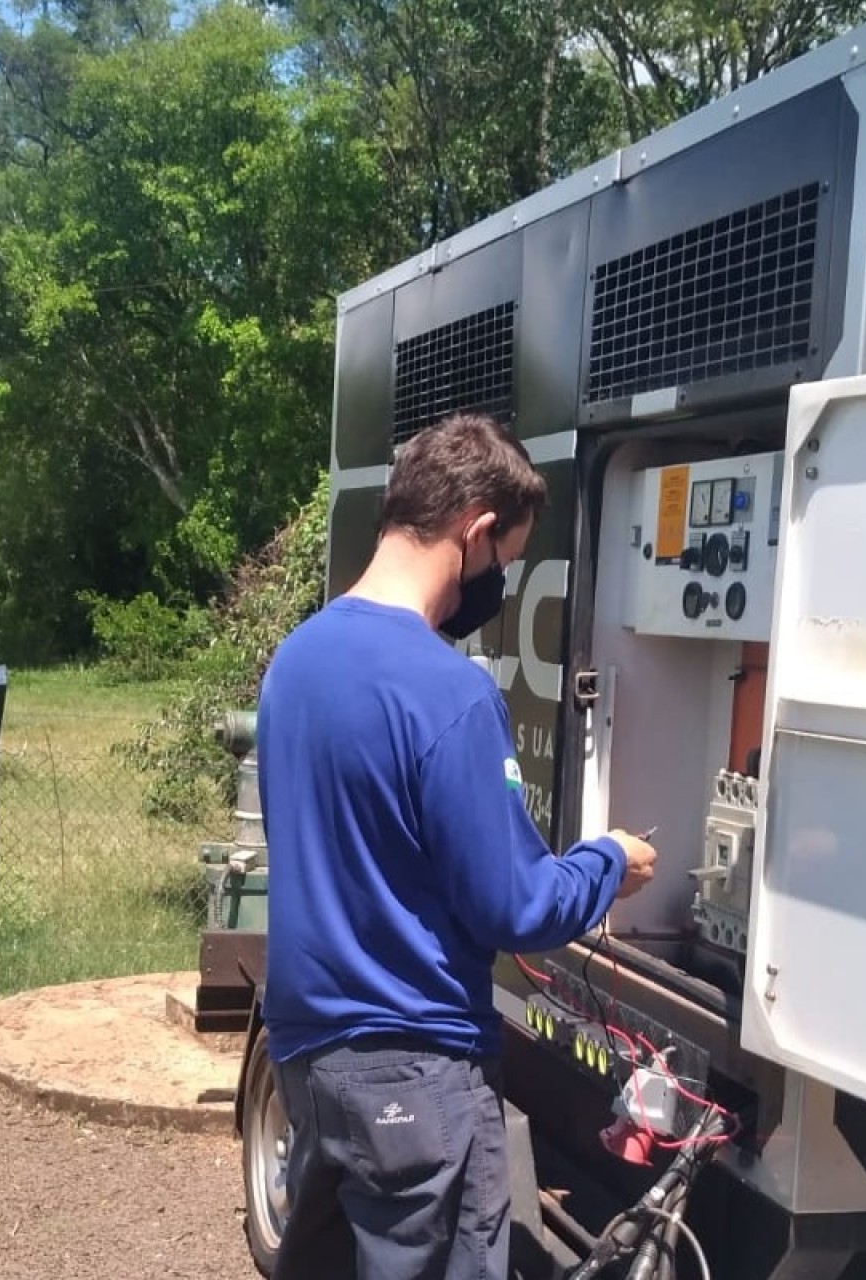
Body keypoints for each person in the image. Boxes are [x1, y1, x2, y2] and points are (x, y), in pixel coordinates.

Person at [254, 411, 660, 1280]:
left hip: (307, 1054)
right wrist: (607, 863)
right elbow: (512, 905)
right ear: (474, 531)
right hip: (415, 1068)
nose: (497, 583)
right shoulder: (448, 693)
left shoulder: (296, 660)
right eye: (505, 560)